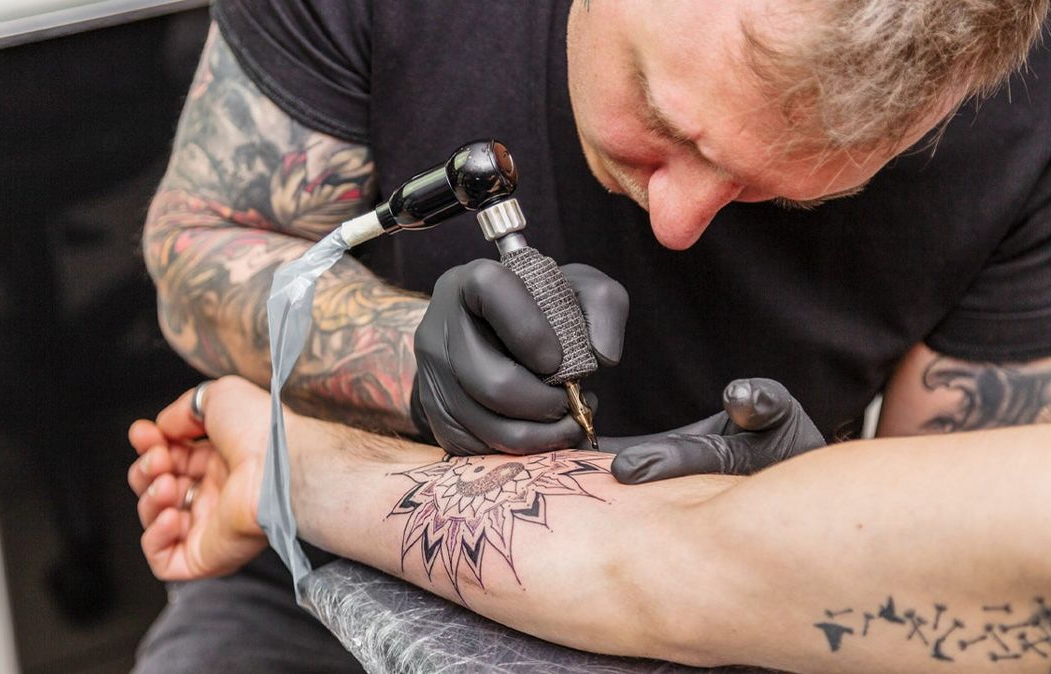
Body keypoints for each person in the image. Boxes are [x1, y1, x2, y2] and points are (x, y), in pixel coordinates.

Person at [136, 0, 1051, 670]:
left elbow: (965, 580)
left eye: (785, 189)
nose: (678, 221)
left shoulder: (1025, 121)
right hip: (327, 581)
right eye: (661, 122)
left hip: (760, 615)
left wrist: (818, 503)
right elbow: (196, 245)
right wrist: (405, 355)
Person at [128, 376, 1051, 673]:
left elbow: (672, 560)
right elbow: (673, 555)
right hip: (301, 578)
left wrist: (292, 471)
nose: (682, 217)